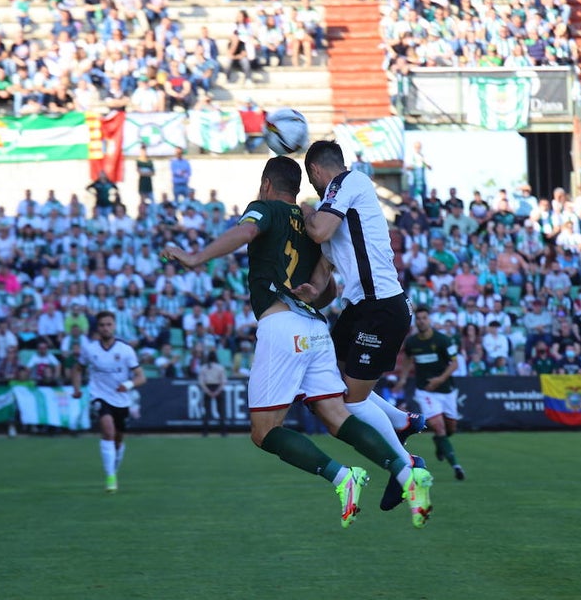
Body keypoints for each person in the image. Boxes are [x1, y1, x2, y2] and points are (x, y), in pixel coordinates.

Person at [162, 156, 433, 528]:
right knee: (337, 415)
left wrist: (196, 258)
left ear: (267, 185)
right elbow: (325, 291)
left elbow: (244, 233)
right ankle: (405, 471)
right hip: (315, 328)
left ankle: (342, 476)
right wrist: (312, 294)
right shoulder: (312, 225)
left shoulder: (265, 209)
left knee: (265, 431)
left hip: (281, 327)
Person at [300, 141, 433, 517]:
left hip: (381, 307)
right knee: (332, 388)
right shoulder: (337, 209)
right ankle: (402, 422)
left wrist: (305, 210)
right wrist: (310, 293)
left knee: (352, 401)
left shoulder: (348, 182)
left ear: (316, 171)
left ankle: (407, 466)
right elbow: (325, 274)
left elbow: (319, 231)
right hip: (359, 309)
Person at [71, 310, 145, 493]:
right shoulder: (90, 349)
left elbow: (141, 377)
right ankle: (110, 478)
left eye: (109, 324)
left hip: (121, 400)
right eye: (102, 325)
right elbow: (77, 369)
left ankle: (114, 469)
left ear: (114, 326)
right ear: (98, 327)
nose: (105, 328)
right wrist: (77, 389)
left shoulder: (125, 350)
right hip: (99, 396)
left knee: (118, 440)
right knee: (108, 432)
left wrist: (127, 385)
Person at [401, 307, 466, 480]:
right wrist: (402, 378)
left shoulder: (443, 340)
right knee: (438, 426)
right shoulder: (412, 342)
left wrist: (439, 379)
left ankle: (440, 443)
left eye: (424, 318)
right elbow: (407, 360)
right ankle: (456, 467)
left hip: (446, 390)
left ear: (429, 320)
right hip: (425, 391)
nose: (421, 321)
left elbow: (455, 364)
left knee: (450, 428)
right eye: (419, 318)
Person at [198, 350, 228, 437]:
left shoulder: (204, 367)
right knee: (221, 411)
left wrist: (207, 391)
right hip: (217, 387)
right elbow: (223, 381)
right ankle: (223, 432)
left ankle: (205, 432)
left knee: (206, 411)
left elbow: (201, 382)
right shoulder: (220, 367)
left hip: (208, 387)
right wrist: (218, 391)